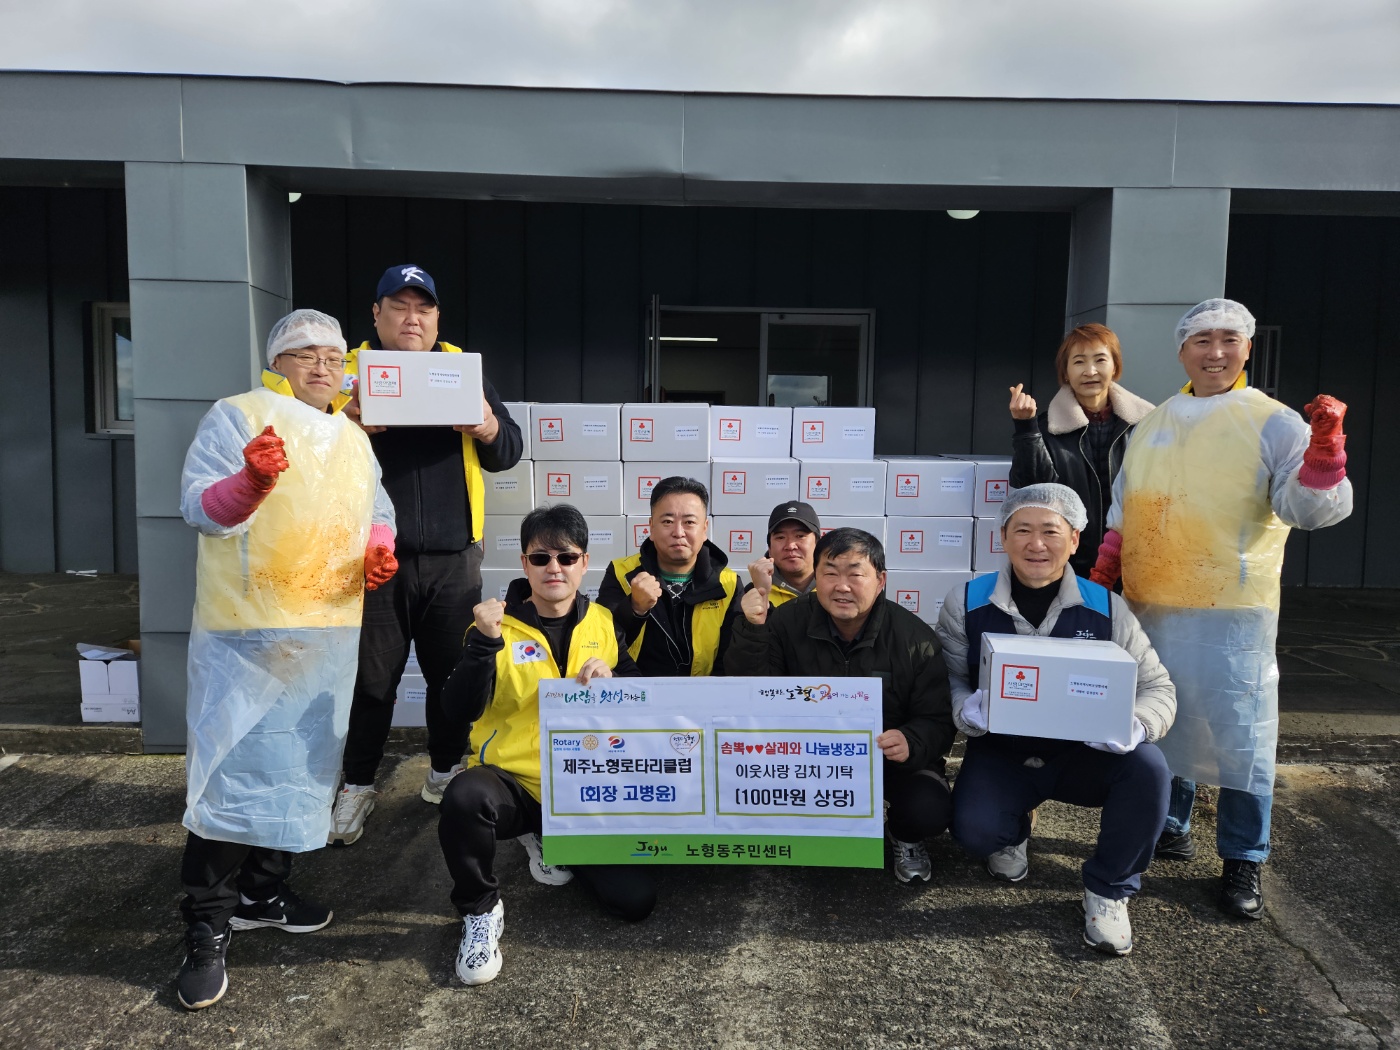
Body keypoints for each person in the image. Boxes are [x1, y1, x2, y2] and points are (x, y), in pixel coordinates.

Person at [1091, 298, 1352, 921]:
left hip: (1234, 610)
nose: (1215, 352)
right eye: (1201, 340)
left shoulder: (1275, 422)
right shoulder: (1153, 425)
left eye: (1228, 340)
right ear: (1181, 351)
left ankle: (1243, 858)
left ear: (1247, 349)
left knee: (1242, 738)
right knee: (1164, 719)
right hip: (1150, 604)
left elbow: (1308, 510)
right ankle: (1170, 826)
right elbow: (1125, 514)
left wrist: (1324, 453)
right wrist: (1103, 575)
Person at [174, 310, 398, 1010]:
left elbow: (376, 506)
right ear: (279, 362)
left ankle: (264, 892)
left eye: (333, 356)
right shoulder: (239, 416)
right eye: (305, 355)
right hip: (245, 633)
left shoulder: (354, 441)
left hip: (326, 630)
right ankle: (206, 927)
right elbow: (199, 507)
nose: (322, 366)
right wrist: (249, 484)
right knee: (229, 773)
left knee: (300, 770)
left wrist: (377, 548)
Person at [936, 484, 1175, 956]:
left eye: (1050, 531)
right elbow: (946, 678)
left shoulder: (1106, 608)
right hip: (1002, 751)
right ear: (1003, 537)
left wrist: (1137, 725)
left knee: (1148, 769)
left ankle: (1109, 889)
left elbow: (1158, 689)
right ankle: (1013, 831)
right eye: (1022, 530)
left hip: (1084, 757)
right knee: (976, 832)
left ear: (1074, 539)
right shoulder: (967, 601)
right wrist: (964, 709)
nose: (1036, 544)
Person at [332, 264, 524, 845]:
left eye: (424, 309)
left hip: (452, 559)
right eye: (399, 306)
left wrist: (487, 425)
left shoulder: (462, 370)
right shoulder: (345, 374)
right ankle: (359, 785)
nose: (412, 319)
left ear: (437, 318)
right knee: (371, 682)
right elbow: (305, 449)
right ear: (376, 314)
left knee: (451, 680)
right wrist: (345, 423)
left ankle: (445, 774)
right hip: (367, 559)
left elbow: (508, 449)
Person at [436, 504, 653, 986]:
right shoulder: (491, 628)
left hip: (584, 790)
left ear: (584, 563)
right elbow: (457, 710)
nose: (554, 567)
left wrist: (613, 676)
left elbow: (638, 691)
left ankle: (555, 840)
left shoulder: (604, 622)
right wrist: (482, 647)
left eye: (566, 556)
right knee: (465, 796)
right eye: (540, 558)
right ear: (523, 564)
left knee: (634, 903)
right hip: (513, 784)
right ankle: (479, 911)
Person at [725, 528, 956, 885]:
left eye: (855, 573)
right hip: (808, 758)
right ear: (816, 577)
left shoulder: (915, 639)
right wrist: (753, 629)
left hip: (887, 760)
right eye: (830, 573)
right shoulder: (786, 623)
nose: (841, 586)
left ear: (880, 580)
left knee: (928, 808)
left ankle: (904, 837)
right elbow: (751, 691)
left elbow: (938, 719)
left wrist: (911, 739)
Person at [1008, 323, 1155, 580]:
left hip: (1136, 565)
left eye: (1100, 360)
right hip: (1068, 567)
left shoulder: (1147, 425)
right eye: (1078, 362)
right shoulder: (1046, 427)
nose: (1090, 371)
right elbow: (1030, 490)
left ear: (1115, 366)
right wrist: (1025, 427)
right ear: (1065, 371)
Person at [596, 476, 743, 677]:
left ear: (704, 528)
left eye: (689, 522)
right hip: (637, 697)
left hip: (703, 700)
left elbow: (731, 660)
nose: (678, 532)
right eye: (667, 521)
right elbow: (601, 645)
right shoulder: (621, 573)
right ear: (651, 528)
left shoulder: (728, 584)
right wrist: (635, 609)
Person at [745, 501, 821, 608]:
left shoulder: (836, 588)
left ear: (818, 544)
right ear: (769, 548)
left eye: (800, 536)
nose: (790, 545)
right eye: (780, 537)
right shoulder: (753, 593)